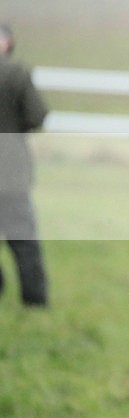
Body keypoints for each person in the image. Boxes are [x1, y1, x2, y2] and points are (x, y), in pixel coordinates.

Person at [0, 24, 49, 306]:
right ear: (8, 43)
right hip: (10, 172)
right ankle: (34, 300)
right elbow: (36, 115)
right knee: (23, 241)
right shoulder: (16, 72)